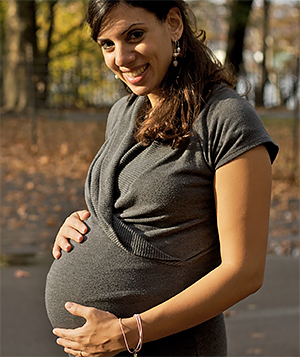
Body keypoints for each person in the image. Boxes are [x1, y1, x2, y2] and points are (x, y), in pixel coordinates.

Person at [45, 0, 279, 356]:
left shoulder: (227, 119)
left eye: (134, 35)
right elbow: (134, 206)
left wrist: (131, 332)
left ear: (173, 24)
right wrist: (84, 225)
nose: (120, 57)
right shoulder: (124, 112)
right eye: (107, 44)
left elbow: (244, 271)